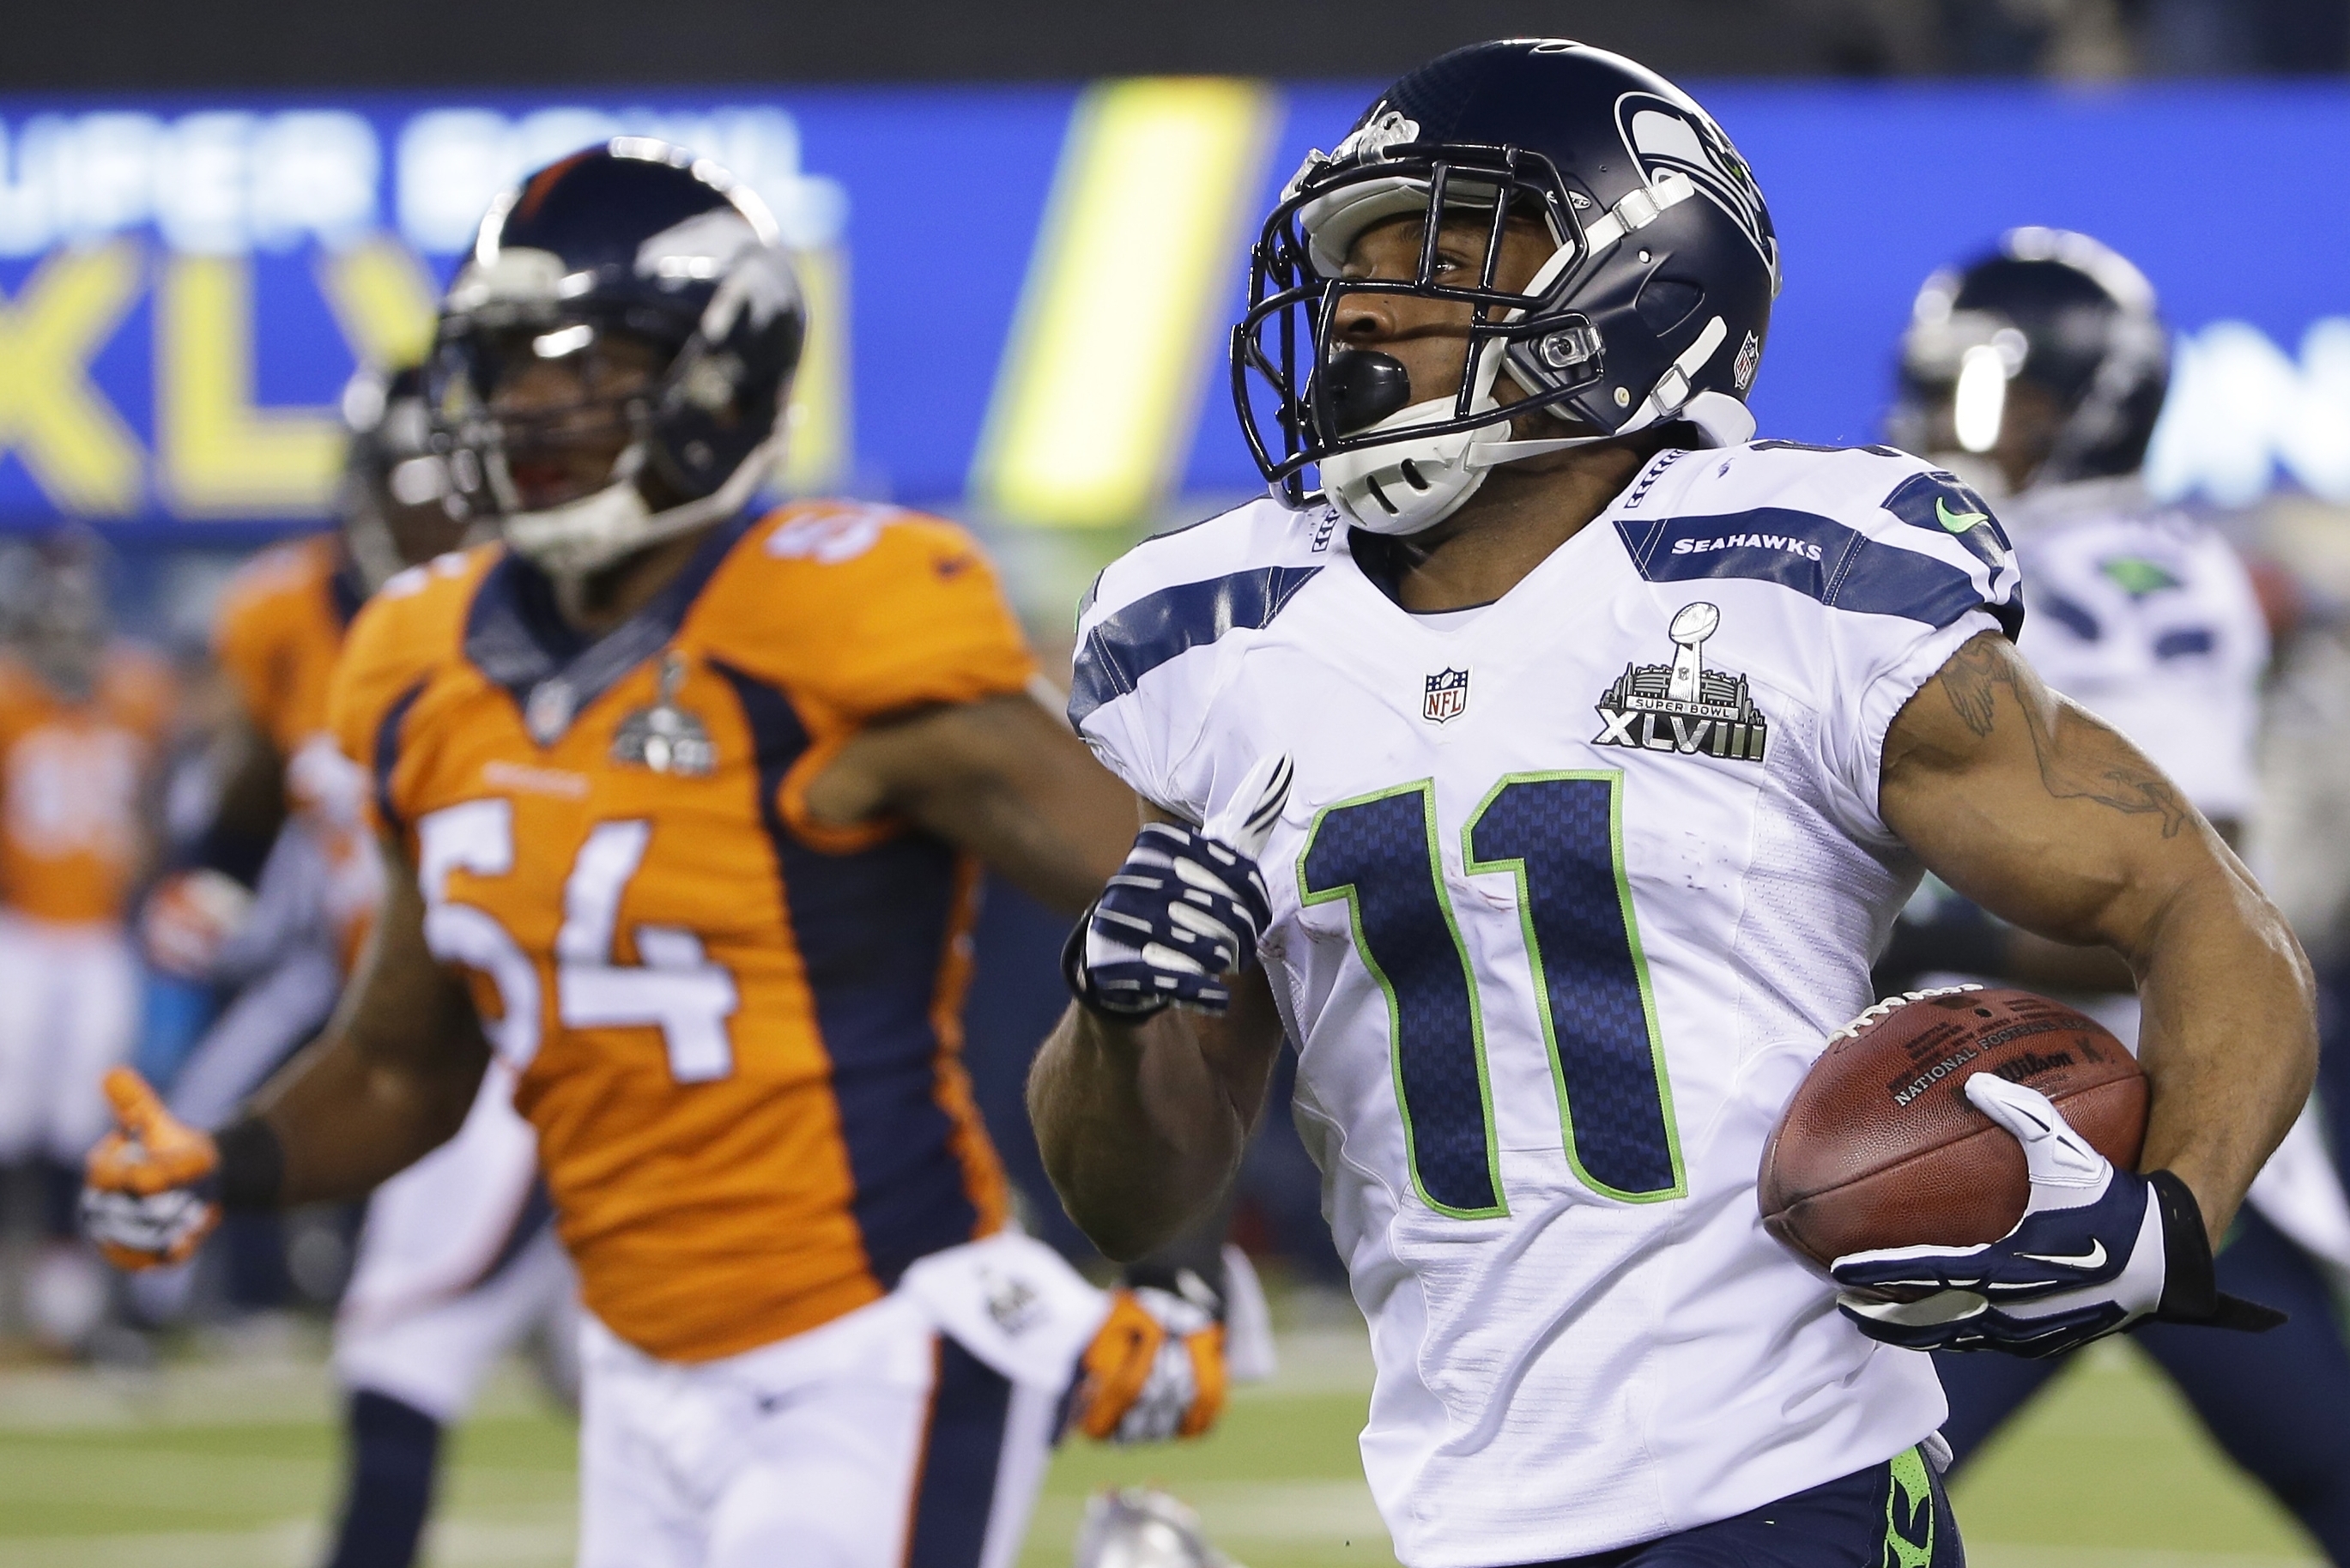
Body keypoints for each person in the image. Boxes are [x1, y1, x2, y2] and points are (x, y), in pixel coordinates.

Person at [1029, 38, 2318, 1568]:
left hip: (1793, 1478)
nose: (1365, 303)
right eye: (1352, 261)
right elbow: (1136, 1193)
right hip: (1463, 1503)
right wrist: (1113, 1015)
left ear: (1632, 281)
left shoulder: (1806, 576)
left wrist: (2170, 1214)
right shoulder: (1209, 641)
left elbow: (2199, 910)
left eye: (1442, 248)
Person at [82, 140, 1225, 1568]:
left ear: (724, 369)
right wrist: (223, 1159)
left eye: (589, 358)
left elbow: (1182, 905)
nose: (533, 401)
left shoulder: (836, 614)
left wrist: (1173, 1252)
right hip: (636, 1372)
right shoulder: (415, 661)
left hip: (871, 1342)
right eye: (508, 362)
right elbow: (400, 1064)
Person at [1880, 229, 2350, 1559]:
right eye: (1937, 386)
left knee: (1834, 1469)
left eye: (1989, 393)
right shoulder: (1924, 544)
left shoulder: (2123, 569)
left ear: (2097, 402)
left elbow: (2157, 904)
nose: (1945, 422)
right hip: (1981, 1112)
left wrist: (1905, 931)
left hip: (2126, 1109)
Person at [0, 531, 174, 1351]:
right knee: (11, 1111)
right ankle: (25, 1275)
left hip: (101, 937)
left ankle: (65, 1285)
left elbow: (160, 806)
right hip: (22, 932)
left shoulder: (137, 692)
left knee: (81, 1115)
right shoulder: (8, 697)